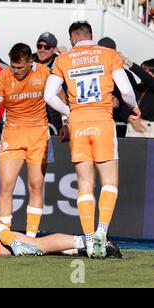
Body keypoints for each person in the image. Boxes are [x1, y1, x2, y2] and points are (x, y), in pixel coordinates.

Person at [43, 21, 141, 258]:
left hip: (78, 123)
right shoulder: (107, 54)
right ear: (91, 36)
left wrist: (69, 112)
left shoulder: (64, 58)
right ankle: (102, 233)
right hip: (102, 121)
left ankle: (88, 239)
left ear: (73, 38)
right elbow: (126, 91)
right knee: (109, 182)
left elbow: (48, 95)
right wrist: (134, 108)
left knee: (85, 184)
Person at [0, 43, 65, 237]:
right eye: (13, 66)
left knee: (36, 184)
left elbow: (61, 95)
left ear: (31, 62)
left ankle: (31, 237)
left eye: (20, 67)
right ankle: (5, 237)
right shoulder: (4, 77)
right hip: (12, 134)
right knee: (5, 185)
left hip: (39, 134)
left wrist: (65, 121)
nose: (15, 71)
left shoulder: (45, 73)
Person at [97, 37, 138, 137]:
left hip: (119, 126)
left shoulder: (126, 75)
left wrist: (119, 104)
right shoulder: (91, 72)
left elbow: (132, 98)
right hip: (97, 124)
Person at [119, 56, 154, 134]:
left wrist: (129, 63)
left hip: (151, 130)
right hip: (133, 129)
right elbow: (124, 107)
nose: (142, 74)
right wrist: (129, 118)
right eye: (142, 70)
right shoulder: (138, 88)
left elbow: (148, 79)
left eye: (145, 71)